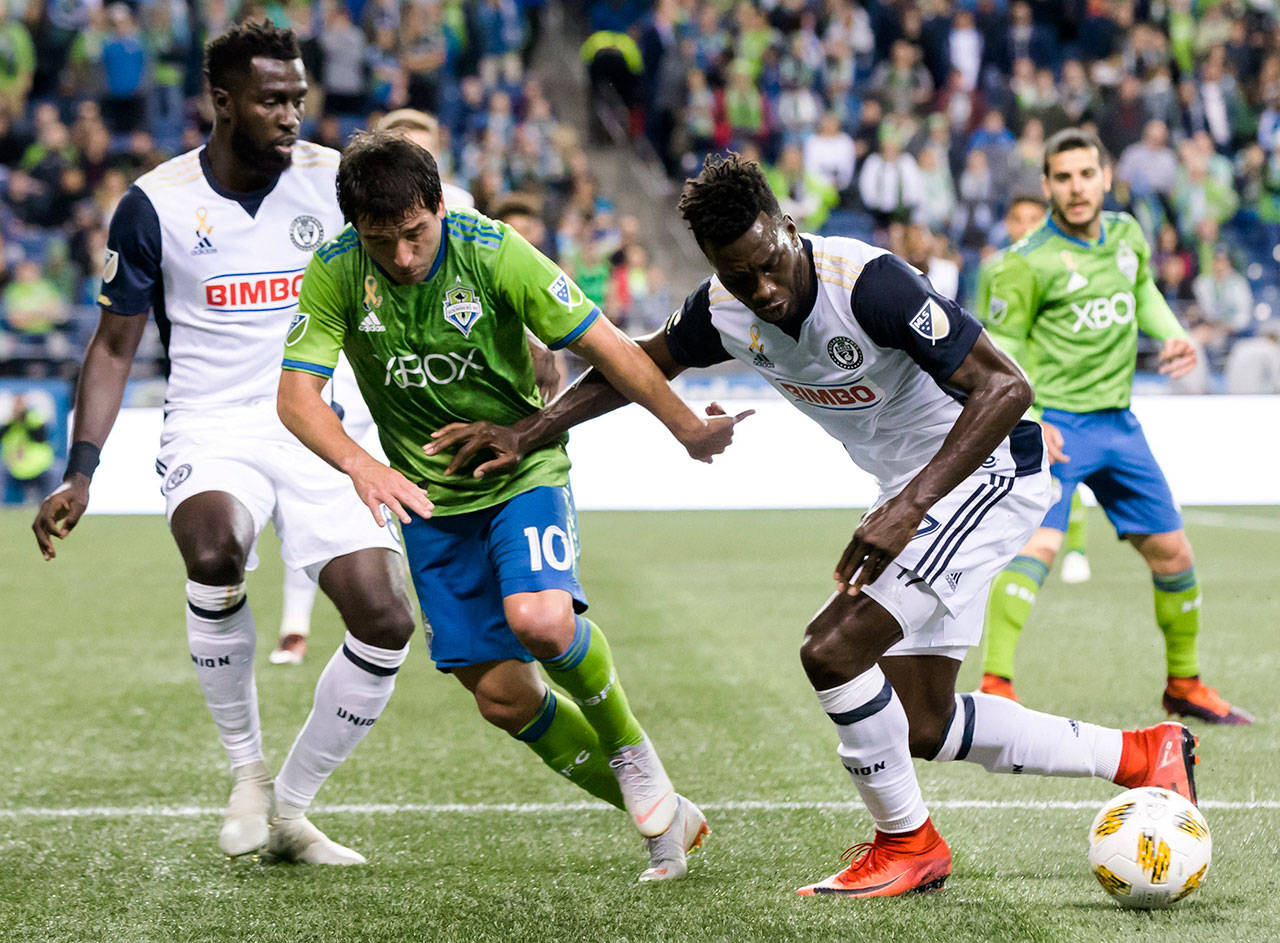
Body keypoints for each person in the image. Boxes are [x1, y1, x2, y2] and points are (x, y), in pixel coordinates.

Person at [423, 152, 1200, 898]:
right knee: (921, 721)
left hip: (989, 473)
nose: (760, 288)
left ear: (787, 224)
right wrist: (532, 431)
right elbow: (639, 361)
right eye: (737, 273)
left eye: (769, 261)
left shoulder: (869, 284)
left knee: (831, 650)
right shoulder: (722, 307)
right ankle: (1142, 752)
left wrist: (910, 503)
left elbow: (1006, 387)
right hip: (919, 489)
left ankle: (908, 846)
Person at [277, 131, 739, 882]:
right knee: (502, 697)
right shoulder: (333, 271)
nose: (400, 256)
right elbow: (297, 397)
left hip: (519, 472)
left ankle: (632, 751)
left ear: (438, 206)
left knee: (543, 618)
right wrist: (362, 466)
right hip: (427, 500)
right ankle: (665, 814)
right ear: (355, 231)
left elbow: (611, 346)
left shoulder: (492, 250)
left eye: (415, 234)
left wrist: (685, 427)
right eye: (380, 241)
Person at [31, 22, 420, 866]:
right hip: (213, 420)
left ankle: (290, 807)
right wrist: (80, 470)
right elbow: (112, 346)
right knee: (214, 551)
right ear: (222, 101)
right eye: (272, 100)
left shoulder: (334, 186)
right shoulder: (155, 203)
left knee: (387, 619)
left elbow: (419, 263)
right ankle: (246, 772)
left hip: (324, 421)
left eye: (299, 99)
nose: (290, 115)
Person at [267, 107, 561, 668]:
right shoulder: (345, 237)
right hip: (360, 393)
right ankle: (295, 624)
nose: (402, 251)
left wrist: (529, 341)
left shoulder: (462, 215)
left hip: (443, 408)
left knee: (520, 623)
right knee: (314, 505)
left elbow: (490, 289)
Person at [978, 129, 1251, 724]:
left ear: (1105, 178)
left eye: (1086, 175)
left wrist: (1172, 332)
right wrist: (1029, 421)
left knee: (1174, 553)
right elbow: (1001, 356)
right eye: (1063, 178)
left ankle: (1184, 685)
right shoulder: (1024, 265)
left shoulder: (1127, 235)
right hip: (1056, 425)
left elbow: (1143, 290)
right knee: (1041, 547)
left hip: (1120, 426)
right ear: (1047, 186)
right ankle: (995, 685)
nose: (1076, 188)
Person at [974, 195, 1093, 616]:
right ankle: (1012, 547)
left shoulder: (1062, 263)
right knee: (1018, 467)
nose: (1025, 226)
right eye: (1017, 218)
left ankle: (1074, 548)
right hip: (1011, 379)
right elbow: (981, 325)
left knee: (1064, 464)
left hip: (1057, 379)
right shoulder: (993, 269)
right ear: (1007, 224)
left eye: (1033, 218)